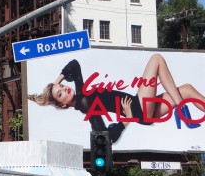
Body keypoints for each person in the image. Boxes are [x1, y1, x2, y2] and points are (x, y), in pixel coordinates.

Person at [29, 53, 205, 142]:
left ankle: (183, 108)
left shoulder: (83, 96)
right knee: (156, 59)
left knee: (187, 89)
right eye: (60, 94)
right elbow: (106, 137)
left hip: (143, 110)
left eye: (63, 87)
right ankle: (183, 110)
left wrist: (55, 83)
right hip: (140, 108)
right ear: (63, 105)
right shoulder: (83, 102)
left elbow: (74, 65)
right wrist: (126, 120)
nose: (65, 89)